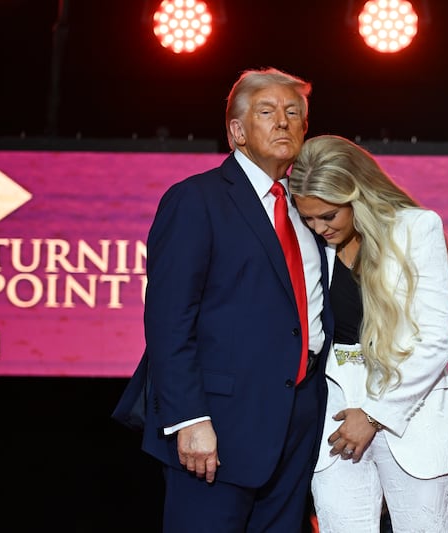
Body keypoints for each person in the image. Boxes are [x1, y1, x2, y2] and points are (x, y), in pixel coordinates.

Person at [112, 68, 334, 532]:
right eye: (267, 111)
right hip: (217, 424)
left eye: (294, 113)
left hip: (299, 422)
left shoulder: (309, 209)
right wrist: (188, 418)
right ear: (237, 131)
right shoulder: (196, 200)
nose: (283, 122)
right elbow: (170, 320)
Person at [289, 135, 448, 533]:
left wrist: (374, 414)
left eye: (328, 216)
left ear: (356, 194)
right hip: (333, 414)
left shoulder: (416, 228)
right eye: (308, 218)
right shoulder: (310, 242)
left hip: (412, 412)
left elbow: (437, 339)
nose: (318, 227)